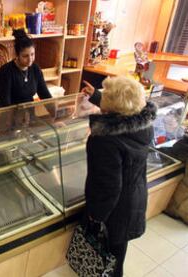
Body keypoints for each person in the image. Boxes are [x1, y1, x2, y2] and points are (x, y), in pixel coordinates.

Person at [81, 76, 157, 277]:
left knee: (108, 257)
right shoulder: (143, 125)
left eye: (105, 95)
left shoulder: (104, 140)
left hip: (114, 211)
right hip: (134, 200)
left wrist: (95, 216)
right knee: (118, 252)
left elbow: (108, 187)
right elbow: (122, 114)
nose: (103, 96)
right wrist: (97, 97)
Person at [0, 29, 52, 109]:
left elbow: (45, 95)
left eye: (32, 54)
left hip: (27, 113)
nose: (30, 59)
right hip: (7, 114)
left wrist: (55, 115)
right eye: (25, 56)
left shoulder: (35, 69)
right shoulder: (5, 72)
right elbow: (5, 104)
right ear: (17, 55)